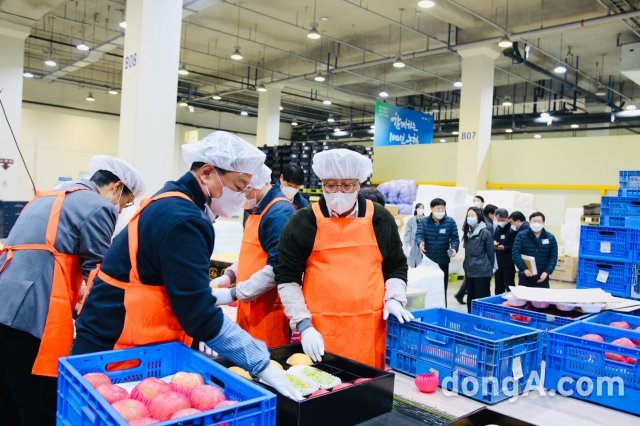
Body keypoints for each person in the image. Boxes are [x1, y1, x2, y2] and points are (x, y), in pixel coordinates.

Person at [73, 131, 302, 402]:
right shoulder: (184, 219)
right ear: (207, 173)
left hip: (122, 343)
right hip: (118, 352)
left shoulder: (168, 199)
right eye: (239, 187)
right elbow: (198, 315)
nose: (242, 198)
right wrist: (260, 362)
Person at [0, 155, 144, 425]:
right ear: (116, 187)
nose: (121, 210)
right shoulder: (99, 205)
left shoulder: (47, 196)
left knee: (7, 402)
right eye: (125, 202)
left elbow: (45, 257)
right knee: (38, 403)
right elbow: (100, 272)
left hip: (4, 302)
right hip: (31, 315)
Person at [275, 149, 411, 368]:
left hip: (368, 331)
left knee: (365, 388)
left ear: (358, 185)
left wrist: (394, 297)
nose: (338, 192)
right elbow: (287, 277)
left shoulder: (380, 218)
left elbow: (396, 265)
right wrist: (304, 324)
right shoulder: (303, 222)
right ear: (321, 185)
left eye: (347, 185)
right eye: (330, 185)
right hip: (320, 331)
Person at [211, 165, 296, 348]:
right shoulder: (257, 207)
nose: (240, 197)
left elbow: (277, 268)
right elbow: (251, 253)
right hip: (248, 303)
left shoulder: (279, 212)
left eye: (242, 191)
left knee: (264, 366)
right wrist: (230, 276)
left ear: (254, 186)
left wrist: (233, 293)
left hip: (267, 311)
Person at [416, 198, 460, 307]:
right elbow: (419, 235)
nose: (440, 211)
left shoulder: (450, 221)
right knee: (428, 286)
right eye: (438, 208)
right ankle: (427, 307)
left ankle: (442, 308)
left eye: (443, 208)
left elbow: (455, 238)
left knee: (442, 287)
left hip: (443, 261)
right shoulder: (424, 221)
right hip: (428, 260)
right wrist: (420, 243)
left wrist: (454, 248)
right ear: (431, 209)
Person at [512, 212, 558, 288]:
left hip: (543, 277)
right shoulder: (521, 235)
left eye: (539, 221)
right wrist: (524, 269)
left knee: (542, 299)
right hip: (525, 276)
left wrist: (547, 272)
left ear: (543, 223)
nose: (536, 223)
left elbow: (553, 257)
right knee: (525, 299)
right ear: (529, 222)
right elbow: (515, 254)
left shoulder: (550, 238)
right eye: (534, 221)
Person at [461, 207, 495, 313]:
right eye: (469, 215)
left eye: (473, 216)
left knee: (481, 298)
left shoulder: (485, 232)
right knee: (470, 297)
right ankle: (471, 317)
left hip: (482, 272)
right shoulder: (468, 232)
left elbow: (490, 253)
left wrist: (489, 268)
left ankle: (483, 320)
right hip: (470, 271)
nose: (470, 218)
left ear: (479, 217)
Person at [493, 208, 515, 294]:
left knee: (509, 285)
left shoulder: (512, 229)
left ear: (507, 218)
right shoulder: (497, 228)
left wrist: (505, 247)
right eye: (498, 220)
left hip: (509, 263)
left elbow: (515, 246)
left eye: (502, 220)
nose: (500, 222)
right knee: (498, 285)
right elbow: (495, 239)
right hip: (498, 262)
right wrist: (494, 243)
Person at [404, 203, 425, 268]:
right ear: (416, 209)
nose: (421, 210)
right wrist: (407, 244)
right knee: (411, 261)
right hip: (412, 243)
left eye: (422, 208)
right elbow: (407, 233)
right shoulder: (411, 220)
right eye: (419, 208)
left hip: (422, 243)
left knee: (420, 261)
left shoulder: (426, 220)